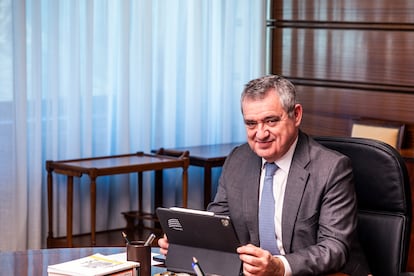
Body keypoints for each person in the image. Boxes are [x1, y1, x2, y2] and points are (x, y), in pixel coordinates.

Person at [158, 75, 370, 275]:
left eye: (270, 121)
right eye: (251, 123)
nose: (260, 134)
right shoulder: (238, 159)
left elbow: (334, 248)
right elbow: (220, 224)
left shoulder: (331, 168)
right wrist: (187, 243)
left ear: (296, 115)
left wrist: (279, 267)